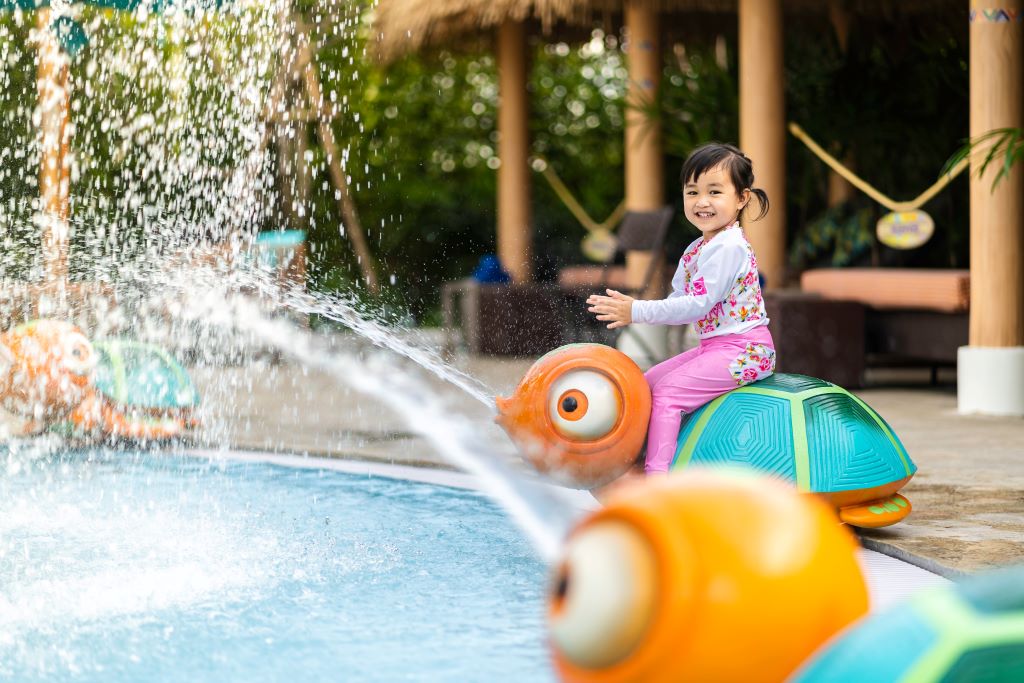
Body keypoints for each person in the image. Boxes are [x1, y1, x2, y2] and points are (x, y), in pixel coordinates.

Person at [586, 143, 776, 475]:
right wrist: (635, 310)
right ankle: (633, 456)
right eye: (693, 192)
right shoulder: (698, 248)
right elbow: (678, 300)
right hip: (715, 348)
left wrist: (638, 311)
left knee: (670, 394)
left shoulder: (729, 247)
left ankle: (658, 480)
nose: (702, 201)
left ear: (742, 198)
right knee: (646, 383)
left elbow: (697, 306)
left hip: (747, 351)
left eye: (714, 191)